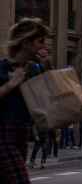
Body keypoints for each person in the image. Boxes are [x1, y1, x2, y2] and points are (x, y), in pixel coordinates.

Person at [0, 18, 50, 183]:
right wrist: (11, 84)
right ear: (26, 43)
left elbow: (46, 100)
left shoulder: (35, 69)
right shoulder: (2, 68)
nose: (44, 46)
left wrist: (46, 69)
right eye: (40, 41)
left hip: (22, 132)